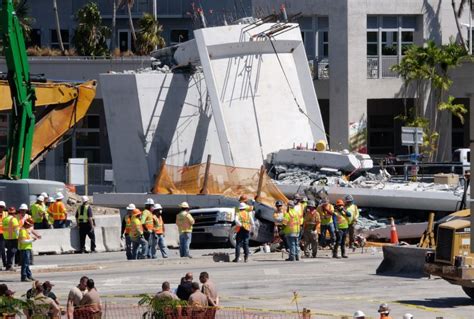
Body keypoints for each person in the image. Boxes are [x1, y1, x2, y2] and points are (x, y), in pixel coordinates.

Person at [0, 201, 7, 270]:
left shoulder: (6, 214)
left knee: (2, 250)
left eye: (2, 207)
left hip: (4, 234)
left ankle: (5, 263)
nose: (0, 208)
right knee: (1, 250)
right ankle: (5, 263)